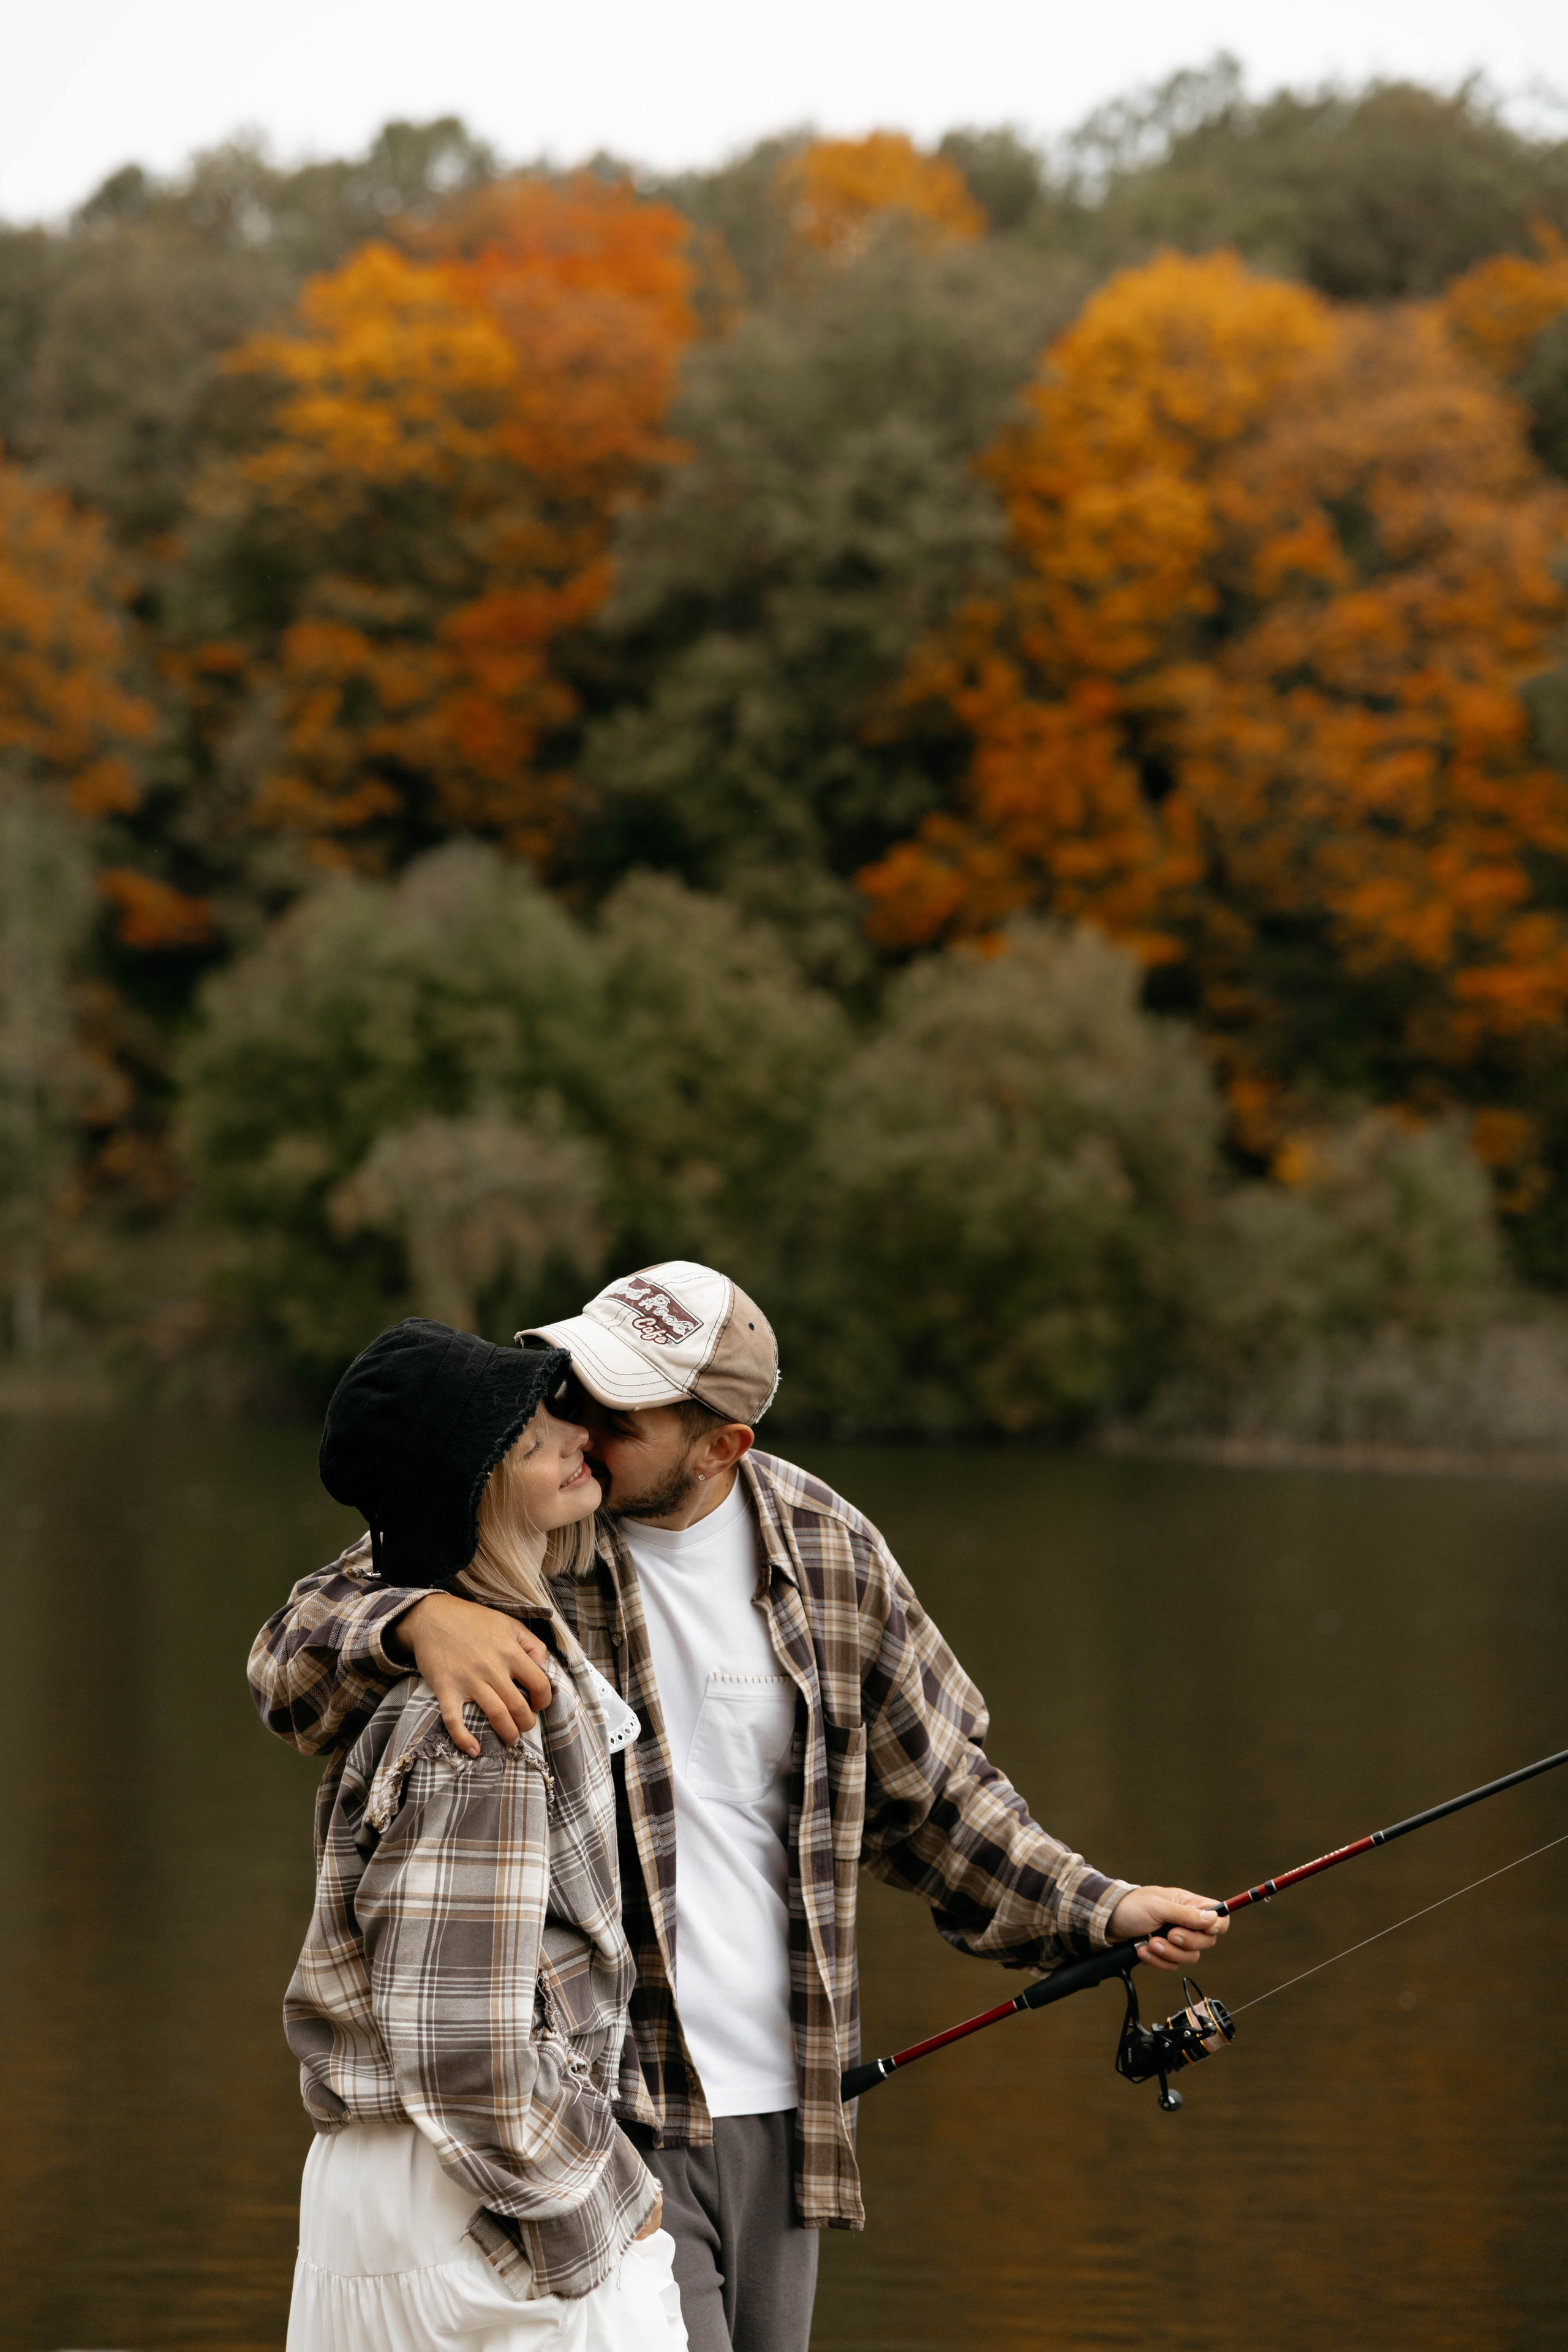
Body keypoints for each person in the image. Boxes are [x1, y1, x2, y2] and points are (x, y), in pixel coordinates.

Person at [253, 1262, 1226, 2352]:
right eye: (568, 1384)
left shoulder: (831, 1549)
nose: (574, 1419)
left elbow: (938, 1796)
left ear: (722, 1445)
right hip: (598, 2113)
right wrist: (415, 1625)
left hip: (787, 2112)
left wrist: (1100, 1908)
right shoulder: (530, 1520)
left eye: (617, 1410)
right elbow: (291, 1660)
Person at [282, 1316, 688, 2351]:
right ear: (473, 1489)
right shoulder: (489, 1716)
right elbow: (463, 2047)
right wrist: (615, 2210)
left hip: (399, 2196)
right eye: (527, 1437)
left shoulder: (459, 1635)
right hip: (479, 2215)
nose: (570, 1438)